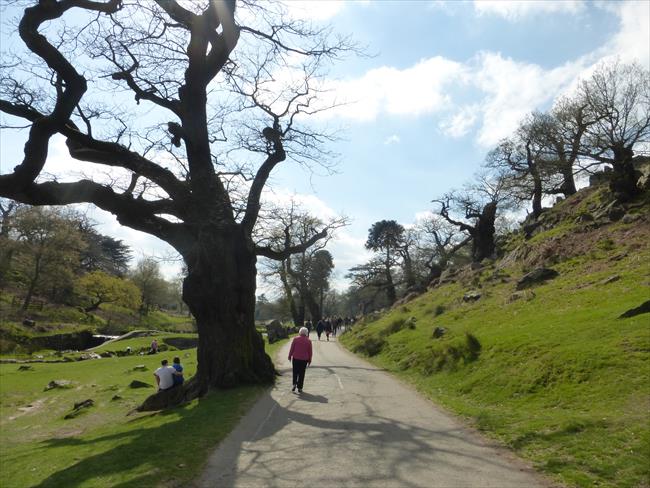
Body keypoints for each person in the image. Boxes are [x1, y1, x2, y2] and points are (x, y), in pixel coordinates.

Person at [288, 327, 312, 393]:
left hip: (296, 358)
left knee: (295, 372)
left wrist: (289, 356)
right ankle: (300, 387)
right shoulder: (309, 341)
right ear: (306, 333)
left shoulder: (295, 339)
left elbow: (292, 348)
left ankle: (294, 384)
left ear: (300, 332)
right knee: (302, 373)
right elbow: (310, 352)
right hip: (304, 360)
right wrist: (310, 360)